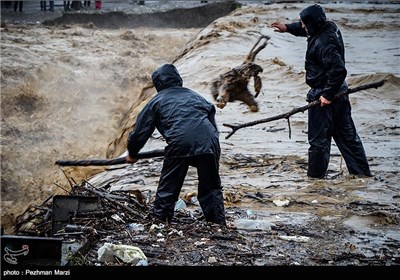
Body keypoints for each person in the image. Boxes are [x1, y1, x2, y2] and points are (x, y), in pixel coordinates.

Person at [271, 4, 372, 179]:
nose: (302, 26)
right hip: (340, 92)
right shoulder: (327, 27)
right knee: (348, 138)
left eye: (303, 23)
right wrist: (287, 28)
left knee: (319, 142)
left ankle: (315, 181)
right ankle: (363, 176)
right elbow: (307, 30)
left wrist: (326, 95)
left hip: (324, 94)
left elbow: (339, 70)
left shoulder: (325, 43)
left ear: (312, 24)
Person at [126, 64, 226, 226]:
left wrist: (132, 153)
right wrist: (208, 151)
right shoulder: (197, 97)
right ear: (178, 79)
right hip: (210, 143)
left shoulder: (156, 102)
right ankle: (217, 224)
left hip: (180, 143)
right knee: (211, 187)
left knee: (169, 186)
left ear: (158, 84)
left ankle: (160, 222)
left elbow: (140, 132)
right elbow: (211, 125)